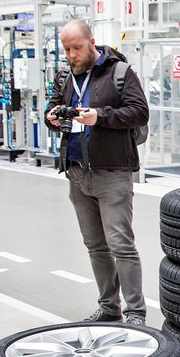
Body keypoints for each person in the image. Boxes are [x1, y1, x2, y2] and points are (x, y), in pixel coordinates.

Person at [45, 19, 149, 325]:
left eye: (77, 48)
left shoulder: (120, 72)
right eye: (67, 50)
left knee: (121, 245)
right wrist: (52, 117)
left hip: (112, 172)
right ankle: (108, 307)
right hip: (77, 172)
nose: (72, 55)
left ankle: (135, 312)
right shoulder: (65, 76)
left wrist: (100, 116)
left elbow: (140, 112)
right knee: (95, 246)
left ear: (91, 42)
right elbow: (54, 106)